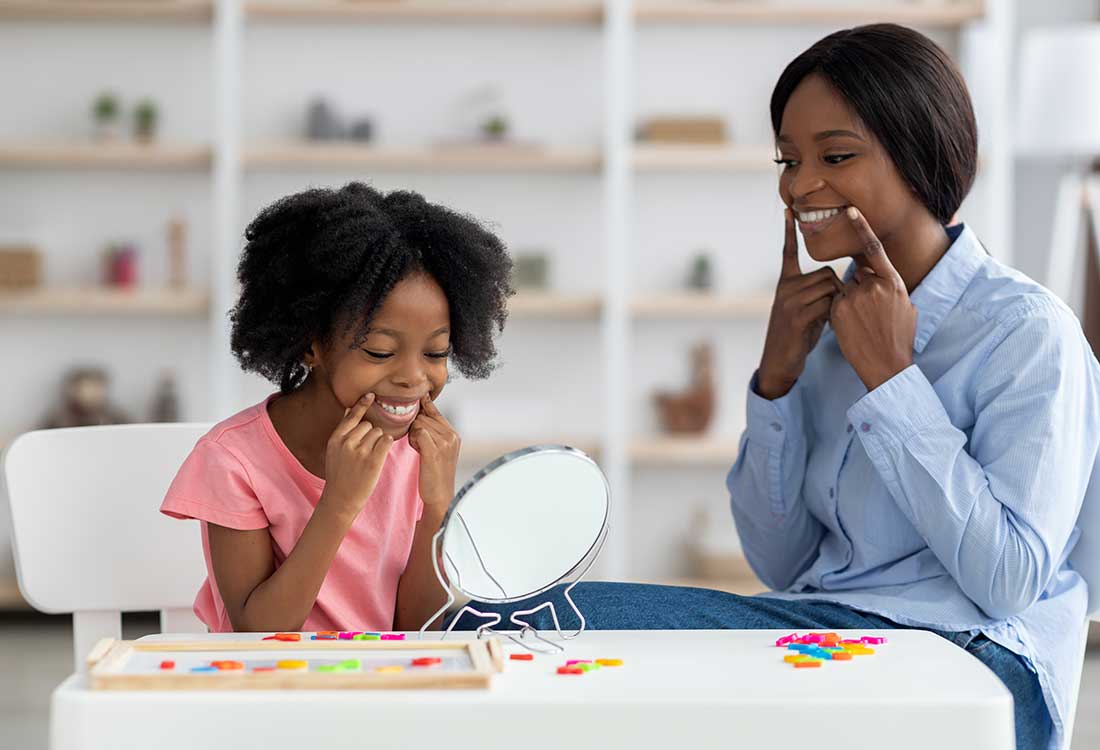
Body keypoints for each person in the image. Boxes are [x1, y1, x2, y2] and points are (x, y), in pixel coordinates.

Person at [457, 25, 1100, 750]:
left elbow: (1008, 580)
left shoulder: (1026, 331)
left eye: (836, 156)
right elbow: (781, 562)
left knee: (522, 629)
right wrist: (777, 381)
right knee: (487, 624)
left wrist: (893, 382)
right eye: (788, 160)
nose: (797, 186)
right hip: (828, 626)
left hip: (968, 654)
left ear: (920, 155)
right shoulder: (829, 326)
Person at [161, 182, 513, 634]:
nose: (413, 378)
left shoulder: (412, 451)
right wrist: (339, 504)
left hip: (382, 685)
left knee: (603, 606)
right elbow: (259, 635)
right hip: (272, 689)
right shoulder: (234, 461)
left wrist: (438, 506)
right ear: (312, 346)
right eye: (381, 353)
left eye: (435, 353)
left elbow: (416, 626)